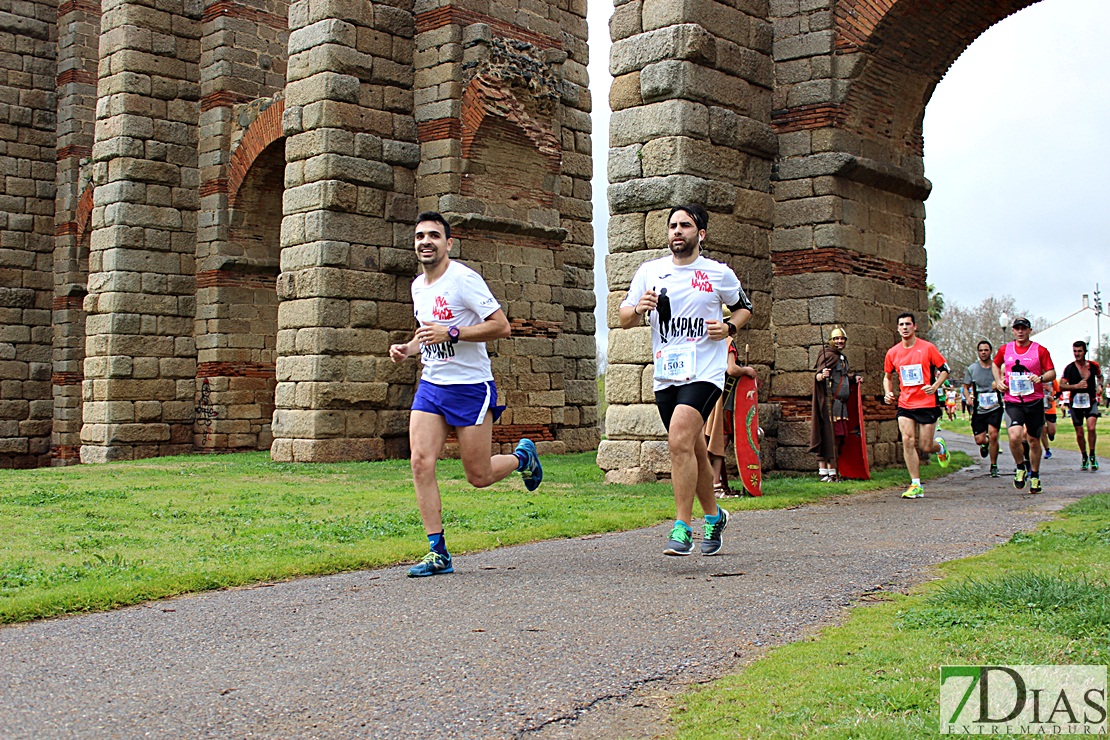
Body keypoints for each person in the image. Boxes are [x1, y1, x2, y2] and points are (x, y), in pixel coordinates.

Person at [389, 212, 543, 577]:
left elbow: (501, 326)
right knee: (420, 462)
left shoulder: (464, 280)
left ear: (448, 243)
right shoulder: (417, 287)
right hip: (432, 385)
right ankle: (437, 551)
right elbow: (427, 331)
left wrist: (454, 333)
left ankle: (523, 458)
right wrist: (409, 349)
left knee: (479, 475)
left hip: (471, 387)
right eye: (420, 236)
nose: (426, 242)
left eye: (433, 236)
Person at [619, 204, 752, 555]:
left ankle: (681, 527)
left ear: (700, 234)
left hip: (705, 371)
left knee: (679, 438)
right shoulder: (650, 271)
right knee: (690, 448)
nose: (677, 231)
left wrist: (729, 327)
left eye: (686, 226)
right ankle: (714, 515)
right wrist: (637, 308)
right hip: (667, 374)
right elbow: (623, 318)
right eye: (673, 226)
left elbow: (745, 308)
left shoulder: (717, 273)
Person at [883, 312, 950, 499]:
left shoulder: (927, 348)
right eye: (901, 324)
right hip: (905, 403)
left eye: (908, 324)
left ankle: (940, 447)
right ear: (897, 328)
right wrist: (888, 392)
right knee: (907, 440)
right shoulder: (893, 352)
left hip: (927, 402)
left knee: (925, 446)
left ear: (915, 327)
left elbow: (945, 370)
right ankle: (915, 484)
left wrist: (935, 386)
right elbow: (887, 376)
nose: (904, 327)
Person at [992, 317, 1055, 494]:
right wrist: (999, 381)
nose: (1020, 332)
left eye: (1023, 329)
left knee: (1034, 441)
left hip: (1034, 401)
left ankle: (1034, 475)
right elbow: (995, 365)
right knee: (1014, 437)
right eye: (1017, 328)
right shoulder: (1006, 349)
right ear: (1013, 331)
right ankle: (1020, 466)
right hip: (1013, 401)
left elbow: (1052, 372)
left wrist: (1041, 378)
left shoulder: (1040, 350)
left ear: (1029, 330)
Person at [702, 313, 756, 497]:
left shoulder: (705, 340)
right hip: (721, 398)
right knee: (719, 440)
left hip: (705, 393)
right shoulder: (728, 341)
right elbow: (731, 369)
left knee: (709, 439)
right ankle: (715, 486)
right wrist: (746, 370)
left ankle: (711, 483)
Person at [810, 326, 862, 482]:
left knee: (838, 438)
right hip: (829, 404)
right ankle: (825, 472)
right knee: (828, 436)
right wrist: (821, 375)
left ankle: (831, 472)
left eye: (842, 339)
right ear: (831, 341)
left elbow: (842, 377)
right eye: (837, 339)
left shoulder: (841, 357)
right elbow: (818, 376)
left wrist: (854, 378)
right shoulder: (827, 355)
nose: (840, 341)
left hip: (840, 404)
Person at [963, 340, 1004, 478]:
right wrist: (968, 398)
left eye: (986, 350)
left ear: (991, 351)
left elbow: (1004, 381)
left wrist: (999, 384)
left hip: (995, 406)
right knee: (979, 439)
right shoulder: (972, 368)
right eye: (981, 350)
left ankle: (994, 465)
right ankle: (985, 444)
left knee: (993, 434)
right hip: (980, 408)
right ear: (978, 352)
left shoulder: (997, 367)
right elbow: (965, 386)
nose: (983, 353)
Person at [1059, 340, 1102, 471]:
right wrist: (1075, 386)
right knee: (1079, 433)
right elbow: (1061, 385)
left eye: (1080, 351)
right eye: (1075, 351)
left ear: (1085, 352)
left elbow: (1100, 376)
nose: (1077, 354)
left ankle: (1092, 454)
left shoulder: (1093, 365)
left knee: (1091, 428)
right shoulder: (1069, 368)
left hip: (1091, 400)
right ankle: (1084, 455)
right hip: (1076, 402)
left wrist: (1100, 385)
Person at [1041, 378, 1060, 460]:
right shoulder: (1035, 377)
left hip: (1050, 408)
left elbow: (1059, 391)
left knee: (1051, 431)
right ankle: (1047, 450)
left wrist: (1054, 397)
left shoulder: (1052, 379)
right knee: (1042, 429)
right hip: (1039, 407)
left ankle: (1051, 434)